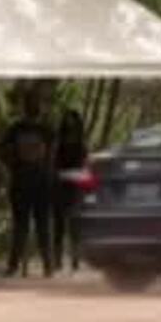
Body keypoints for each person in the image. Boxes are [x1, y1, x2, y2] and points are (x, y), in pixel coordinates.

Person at [0, 90, 57, 277]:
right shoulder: (27, 129)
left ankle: (39, 265)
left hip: (33, 181)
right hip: (28, 180)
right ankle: (25, 265)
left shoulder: (41, 130)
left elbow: (52, 155)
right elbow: (6, 152)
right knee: (29, 226)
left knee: (32, 225)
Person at [53, 107, 89, 273]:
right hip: (61, 185)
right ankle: (57, 259)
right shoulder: (59, 144)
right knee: (59, 224)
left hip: (75, 185)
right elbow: (54, 165)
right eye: (67, 120)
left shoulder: (81, 144)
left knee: (74, 224)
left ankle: (75, 259)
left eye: (72, 120)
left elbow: (84, 165)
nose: (70, 124)